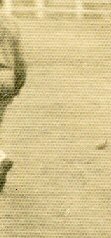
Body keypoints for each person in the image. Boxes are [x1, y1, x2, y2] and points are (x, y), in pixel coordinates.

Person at [0, 0, 26, 193]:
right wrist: (16, 86)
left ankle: (1, 159)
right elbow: (21, 62)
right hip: (6, 79)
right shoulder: (11, 23)